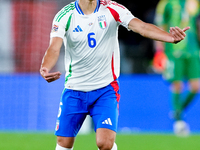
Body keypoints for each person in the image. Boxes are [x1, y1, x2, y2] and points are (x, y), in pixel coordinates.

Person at [40, 0, 189, 149]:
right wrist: (45, 67)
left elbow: (141, 27)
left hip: (105, 89)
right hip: (74, 89)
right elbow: (54, 47)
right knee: (64, 143)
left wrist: (169, 38)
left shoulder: (111, 8)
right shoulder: (65, 16)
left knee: (105, 144)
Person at [155, 0, 200, 136]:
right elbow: (160, 26)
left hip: (192, 50)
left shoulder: (195, 2)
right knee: (177, 85)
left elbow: (197, 25)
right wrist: (159, 51)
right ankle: (179, 122)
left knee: (195, 87)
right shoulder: (166, 3)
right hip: (173, 50)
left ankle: (177, 112)